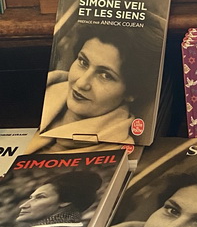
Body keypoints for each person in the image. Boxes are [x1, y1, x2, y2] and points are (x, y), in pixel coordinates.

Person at [32, 20, 164, 150]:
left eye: (105, 75)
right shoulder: (48, 88)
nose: (82, 83)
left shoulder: (116, 150)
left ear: (131, 92)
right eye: (83, 62)